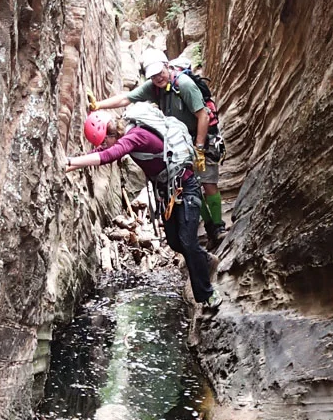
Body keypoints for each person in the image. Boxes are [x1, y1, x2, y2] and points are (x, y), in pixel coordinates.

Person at [66, 111, 222, 312]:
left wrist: (70, 162)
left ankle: (207, 295)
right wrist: (74, 164)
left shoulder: (135, 136)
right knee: (175, 241)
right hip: (168, 193)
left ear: (112, 134)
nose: (102, 146)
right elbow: (105, 151)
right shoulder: (124, 135)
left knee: (188, 241)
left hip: (185, 186)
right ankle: (206, 261)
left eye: (104, 142)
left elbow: (109, 155)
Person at [91, 48, 226, 246]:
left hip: (201, 139)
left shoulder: (185, 85)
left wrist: (199, 147)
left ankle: (219, 226)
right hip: (179, 146)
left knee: (208, 183)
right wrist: (98, 105)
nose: (158, 78)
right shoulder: (154, 87)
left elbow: (202, 115)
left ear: (167, 66)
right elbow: (125, 98)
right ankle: (209, 228)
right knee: (194, 185)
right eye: (153, 76)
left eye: (160, 73)